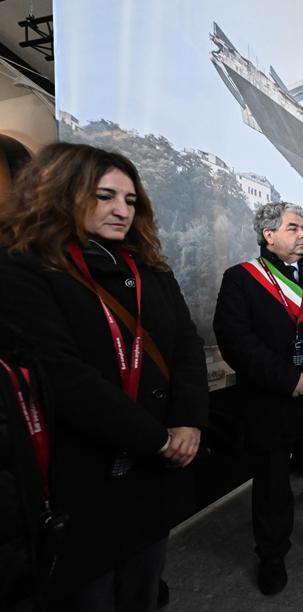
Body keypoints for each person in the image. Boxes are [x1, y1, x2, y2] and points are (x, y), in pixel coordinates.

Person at [0, 142, 208, 611]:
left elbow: (186, 348)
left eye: (130, 200)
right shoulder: (23, 268)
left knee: (144, 587)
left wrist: (190, 421)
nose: (121, 210)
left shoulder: (148, 267)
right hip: (83, 480)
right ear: (62, 192)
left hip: (154, 475)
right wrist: (157, 438)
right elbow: (62, 376)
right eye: (104, 196)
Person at [213, 201, 303, 597]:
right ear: (269, 235)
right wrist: (287, 378)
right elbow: (235, 340)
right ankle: (273, 555)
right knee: (272, 481)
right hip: (271, 400)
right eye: (294, 228)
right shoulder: (241, 279)